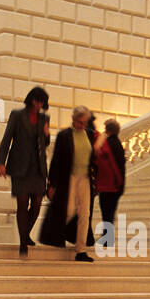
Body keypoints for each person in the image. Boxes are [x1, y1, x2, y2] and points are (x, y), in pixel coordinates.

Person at [0, 86, 50, 257]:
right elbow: (7, 139)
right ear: (30, 99)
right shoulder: (17, 115)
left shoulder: (44, 118)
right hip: (20, 166)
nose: (38, 104)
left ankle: (26, 234)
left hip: (38, 168)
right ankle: (22, 243)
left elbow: (45, 144)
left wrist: (47, 135)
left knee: (36, 206)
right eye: (36, 100)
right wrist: (1, 162)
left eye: (41, 101)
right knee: (22, 204)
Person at [39, 105, 97, 261]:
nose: (82, 125)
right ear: (73, 120)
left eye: (84, 122)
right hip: (69, 178)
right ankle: (54, 235)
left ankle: (81, 250)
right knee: (69, 210)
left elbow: (94, 158)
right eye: (79, 122)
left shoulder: (90, 135)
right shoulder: (64, 136)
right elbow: (56, 160)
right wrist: (51, 184)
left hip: (85, 179)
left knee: (85, 214)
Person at [94, 118, 126, 240]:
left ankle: (107, 237)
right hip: (115, 184)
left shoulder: (107, 145)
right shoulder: (118, 144)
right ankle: (108, 237)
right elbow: (121, 166)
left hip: (107, 184)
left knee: (106, 212)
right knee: (110, 212)